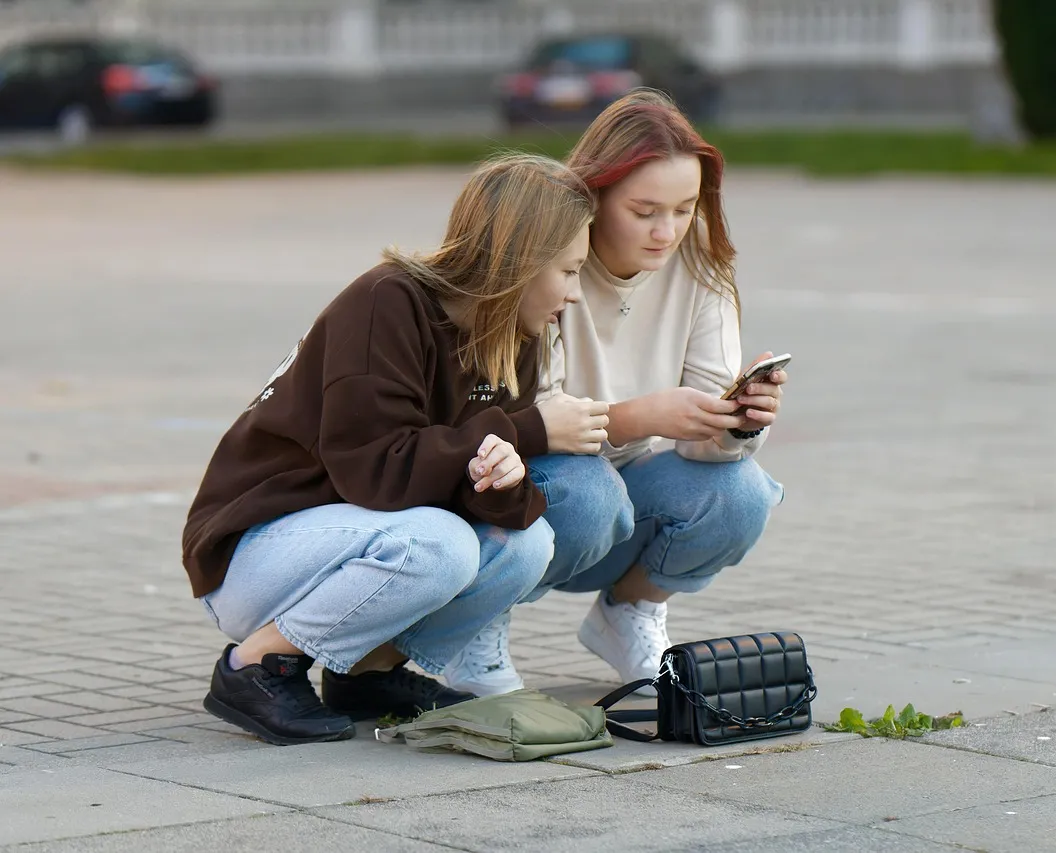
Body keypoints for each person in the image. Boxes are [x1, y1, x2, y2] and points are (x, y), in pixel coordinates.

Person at [180, 153, 601, 745]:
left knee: (527, 543)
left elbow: (468, 486)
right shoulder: (388, 302)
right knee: (443, 545)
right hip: (255, 550)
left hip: (355, 537)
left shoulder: (515, 334)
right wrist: (526, 432)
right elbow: (379, 474)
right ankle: (255, 666)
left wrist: (503, 474)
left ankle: (368, 672)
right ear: (519, 262)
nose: (576, 294)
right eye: (569, 271)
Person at [443, 91, 787, 697]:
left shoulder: (701, 261)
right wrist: (638, 418)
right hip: (523, 490)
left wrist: (737, 425)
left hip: (623, 498)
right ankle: (478, 622)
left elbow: (709, 442)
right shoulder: (543, 259)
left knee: (742, 495)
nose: (667, 232)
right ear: (592, 196)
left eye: (684, 208)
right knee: (589, 489)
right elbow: (522, 418)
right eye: (645, 210)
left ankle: (627, 613)